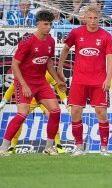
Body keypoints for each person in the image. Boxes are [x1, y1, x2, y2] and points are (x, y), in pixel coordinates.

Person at [0, 10, 66, 156]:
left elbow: (48, 61)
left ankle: (49, 147)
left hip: (41, 82)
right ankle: (3, 148)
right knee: (22, 114)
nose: (48, 27)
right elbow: (14, 65)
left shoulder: (51, 41)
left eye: (50, 24)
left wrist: (58, 80)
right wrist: (23, 85)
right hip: (25, 82)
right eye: (45, 24)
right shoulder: (27, 41)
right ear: (38, 24)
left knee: (55, 111)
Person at [57, 6, 112, 156]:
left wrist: (108, 79)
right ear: (84, 18)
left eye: (95, 18)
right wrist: (59, 69)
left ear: (99, 18)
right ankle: (78, 147)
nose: (93, 21)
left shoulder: (106, 36)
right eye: (90, 18)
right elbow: (65, 49)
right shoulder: (76, 32)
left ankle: (104, 149)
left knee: (101, 112)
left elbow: (110, 59)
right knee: (76, 112)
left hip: (99, 81)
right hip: (79, 80)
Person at [0, 71, 68, 154]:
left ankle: (57, 145)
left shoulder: (47, 74)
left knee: (53, 116)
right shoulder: (25, 74)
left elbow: (58, 87)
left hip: (43, 99)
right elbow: (12, 88)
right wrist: (3, 102)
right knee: (20, 118)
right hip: (30, 100)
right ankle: (12, 146)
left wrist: (65, 100)